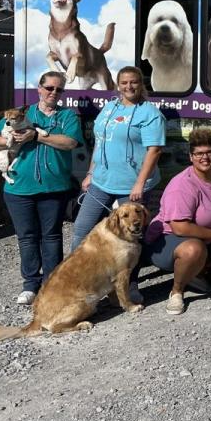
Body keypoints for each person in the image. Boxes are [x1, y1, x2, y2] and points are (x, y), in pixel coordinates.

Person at [0, 71, 82, 305]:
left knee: (51, 237)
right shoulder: (22, 112)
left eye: (59, 89)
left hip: (54, 188)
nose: (53, 93)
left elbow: (70, 142)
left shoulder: (67, 116)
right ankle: (30, 285)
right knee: (27, 237)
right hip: (19, 188)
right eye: (49, 88)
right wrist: (10, 139)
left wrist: (35, 137)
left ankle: (52, 285)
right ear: (39, 88)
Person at [71, 66, 165, 301]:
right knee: (82, 229)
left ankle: (129, 285)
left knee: (131, 238)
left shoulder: (150, 113)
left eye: (133, 82)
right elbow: (100, 142)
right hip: (102, 181)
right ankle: (76, 280)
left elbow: (154, 151)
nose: (129, 87)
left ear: (140, 84)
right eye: (124, 83)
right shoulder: (109, 107)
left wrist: (139, 184)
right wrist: (91, 172)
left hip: (131, 186)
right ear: (118, 84)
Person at [142, 128, 211, 315]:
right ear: (191, 157)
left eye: (209, 152)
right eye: (199, 153)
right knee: (194, 249)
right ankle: (177, 291)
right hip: (167, 240)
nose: (205, 157)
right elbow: (179, 227)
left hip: (206, 236)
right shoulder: (182, 185)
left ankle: (196, 275)